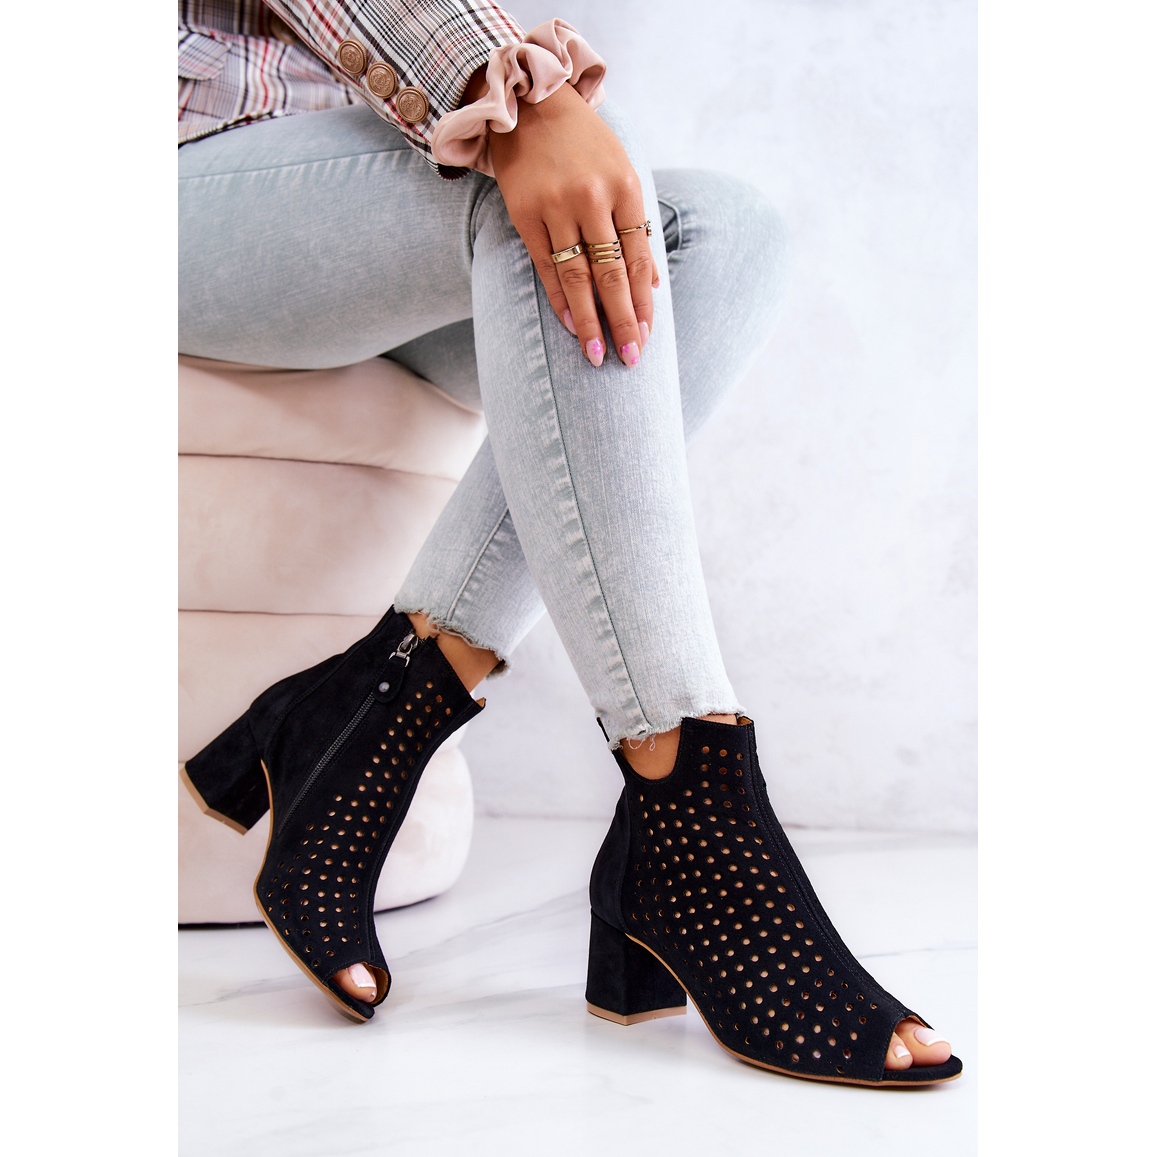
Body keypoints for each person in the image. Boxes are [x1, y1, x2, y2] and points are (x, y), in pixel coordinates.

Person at [178, 0, 961, 1086]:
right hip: (179, 169)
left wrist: (507, 106)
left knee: (720, 232)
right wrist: (512, 98)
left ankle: (370, 710)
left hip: (352, 168)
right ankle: (690, 815)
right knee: (543, 198)